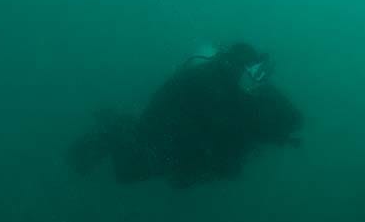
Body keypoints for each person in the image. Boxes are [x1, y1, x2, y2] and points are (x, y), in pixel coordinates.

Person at [69, 43, 303, 187]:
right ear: (238, 67)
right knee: (127, 172)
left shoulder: (243, 94)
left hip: (180, 144)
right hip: (166, 137)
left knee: (129, 172)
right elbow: (208, 123)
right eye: (252, 72)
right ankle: (113, 126)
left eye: (259, 74)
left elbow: (293, 120)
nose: (256, 79)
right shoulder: (211, 84)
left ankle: (118, 126)